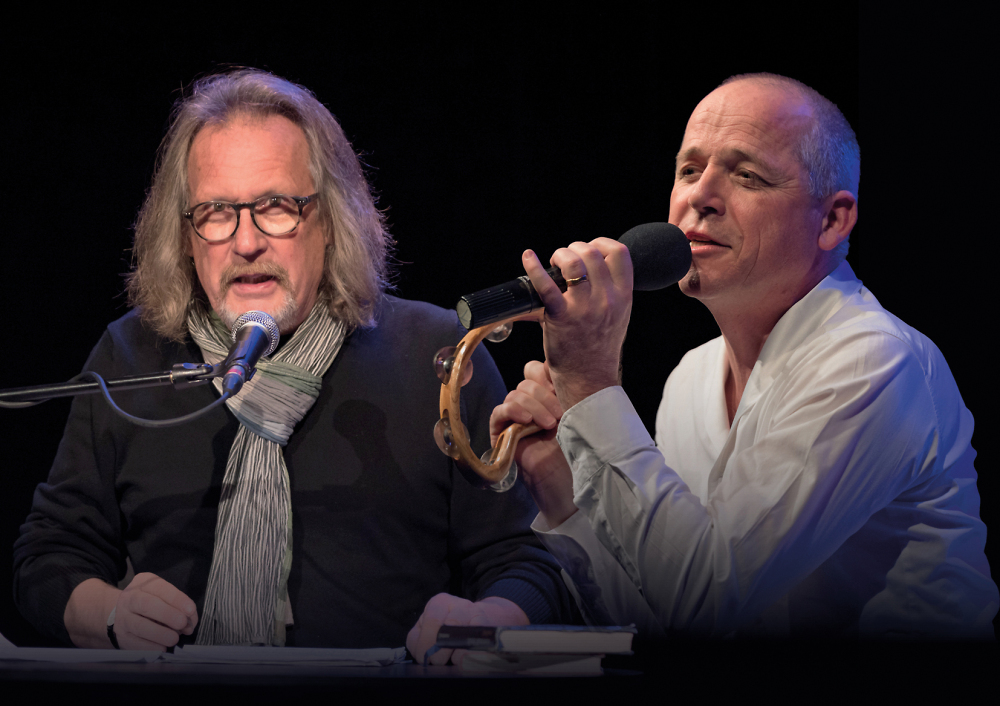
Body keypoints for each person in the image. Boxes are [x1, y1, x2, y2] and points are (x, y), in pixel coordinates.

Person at [12, 69, 576, 659]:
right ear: (184, 236)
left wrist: (484, 621)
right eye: (216, 212)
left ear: (330, 221)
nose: (246, 242)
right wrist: (110, 615)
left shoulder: (434, 353)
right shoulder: (131, 357)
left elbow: (525, 560)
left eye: (277, 207)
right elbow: (48, 557)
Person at [491, 73, 998, 639]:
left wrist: (589, 384)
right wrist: (563, 490)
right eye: (689, 170)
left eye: (747, 175)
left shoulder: (871, 361)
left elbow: (709, 601)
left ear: (832, 220)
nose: (699, 197)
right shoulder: (691, 379)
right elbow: (660, 616)